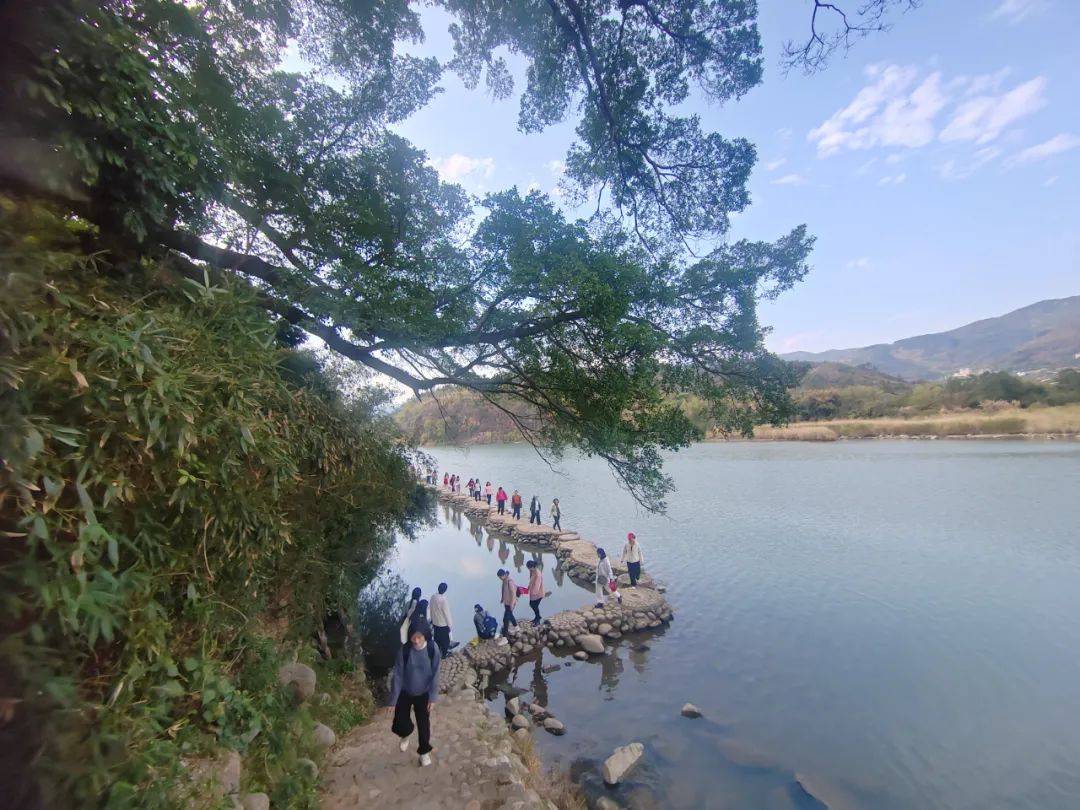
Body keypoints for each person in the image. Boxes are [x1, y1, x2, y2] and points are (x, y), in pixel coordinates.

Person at [386, 621, 440, 767]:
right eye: (413, 637)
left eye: (419, 637)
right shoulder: (404, 651)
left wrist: (433, 697)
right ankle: (406, 734)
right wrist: (393, 700)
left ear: (425, 636)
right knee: (399, 722)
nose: (416, 641)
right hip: (405, 691)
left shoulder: (432, 649)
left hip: (423, 693)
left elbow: (435, 674)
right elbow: (398, 676)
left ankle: (424, 752)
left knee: (423, 724)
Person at [429, 583, 453, 658]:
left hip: (435, 622)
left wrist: (432, 619)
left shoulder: (433, 597)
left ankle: (436, 654)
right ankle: (444, 655)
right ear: (445, 590)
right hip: (443, 624)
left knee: (437, 639)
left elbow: (431, 609)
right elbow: (446, 613)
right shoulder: (443, 599)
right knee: (445, 641)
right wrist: (450, 625)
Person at [498, 569, 518, 636]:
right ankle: (516, 627)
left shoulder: (510, 581)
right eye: (499, 577)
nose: (500, 578)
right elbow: (503, 590)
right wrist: (502, 598)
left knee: (505, 619)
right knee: (510, 615)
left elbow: (513, 594)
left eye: (500, 577)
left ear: (504, 575)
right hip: (506, 602)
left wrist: (512, 604)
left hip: (511, 603)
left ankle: (505, 636)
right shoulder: (504, 581)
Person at [526, 560, 544, 625]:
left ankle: (538, 619)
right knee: (532, 605)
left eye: (529, 568)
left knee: (534, 605)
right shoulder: (532, 571)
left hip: (538, 593)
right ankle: (537, 617)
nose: (529, 569)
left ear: (533, 567)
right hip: (533, 592)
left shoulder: (538, 574)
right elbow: (531, 580)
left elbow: (537, 585)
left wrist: (533, 593)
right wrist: (528, 588)